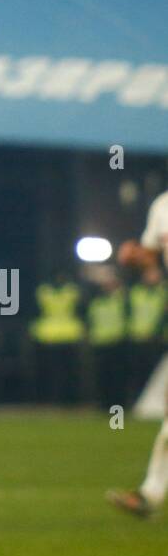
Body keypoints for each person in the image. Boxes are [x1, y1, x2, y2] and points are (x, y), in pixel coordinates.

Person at [108, 188, 168, 518]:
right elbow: (151, 254)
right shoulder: (162, 205)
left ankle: (151, 493)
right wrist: (134, 255)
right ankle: (150, 494)